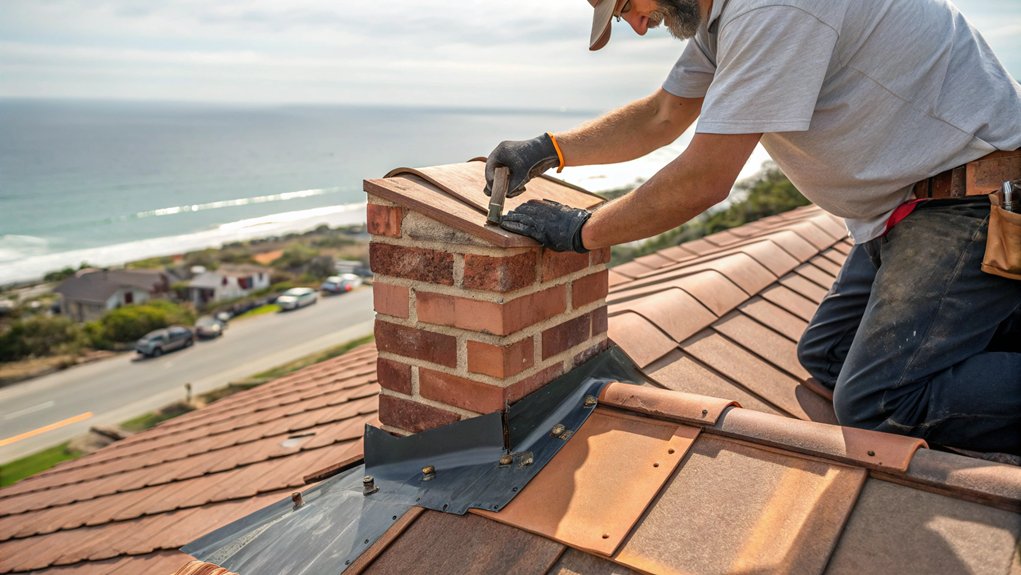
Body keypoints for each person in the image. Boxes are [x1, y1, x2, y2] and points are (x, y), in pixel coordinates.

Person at [485, 0, 1021, 455]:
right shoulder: (725, 23)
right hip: (904, 208)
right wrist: (550, 150)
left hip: (970, 202)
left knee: (878, 404)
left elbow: (705, 178)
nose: (639, 26)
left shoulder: (773, 11)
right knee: (827, 356)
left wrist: (584, 230)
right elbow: (662, 116)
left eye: (627, 7)